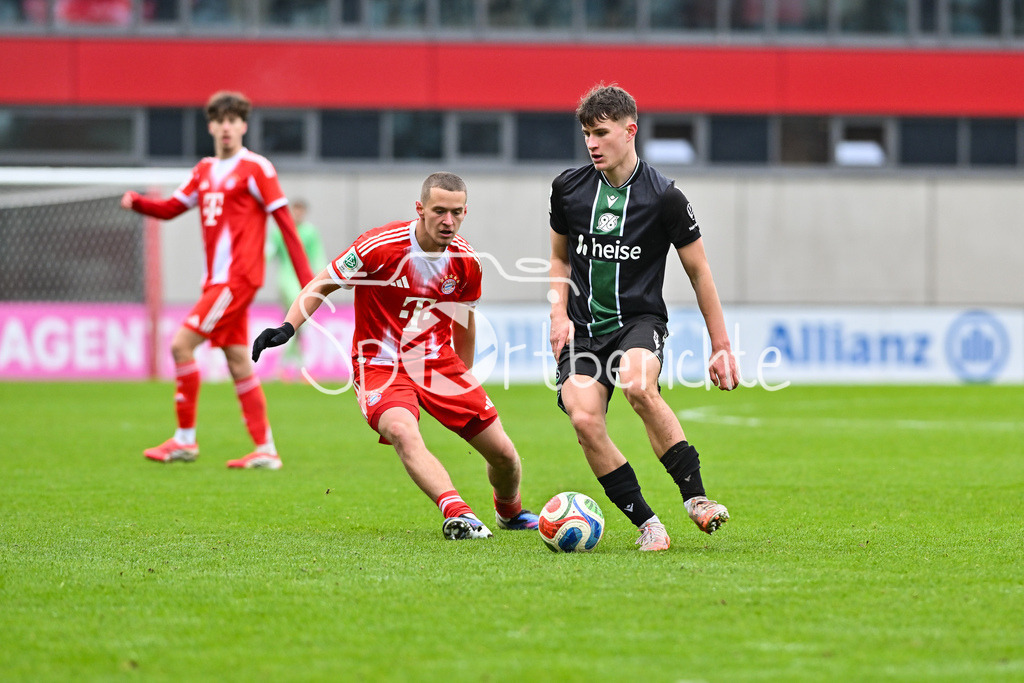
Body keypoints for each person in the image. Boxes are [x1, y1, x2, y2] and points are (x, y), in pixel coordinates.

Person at [252, 172, 539, 540]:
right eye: (439, 211)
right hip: (379, 364)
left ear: (465, 212)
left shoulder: (466, 261)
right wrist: (288, 327)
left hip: (437, 364)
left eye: (456, 212)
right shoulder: (379, 246)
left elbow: (464, 322)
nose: (447, 221)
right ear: (420, 209)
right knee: (402, 430)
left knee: (504, 455)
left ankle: (509, 513)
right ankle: (459, 514)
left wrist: (463, 380)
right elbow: (323, 282)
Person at [547, 84, 740, 551]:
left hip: (639, 321)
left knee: (637, 384)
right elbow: (559, 258)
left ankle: (696, 499)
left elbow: (699, 271)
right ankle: (648, 524)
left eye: (601, 133)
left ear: (630, 131)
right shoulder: (568, 189)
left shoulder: (664, 197)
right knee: (584, 420)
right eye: (586, 134)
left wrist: (721, 346)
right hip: (582, 330)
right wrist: (557, 313)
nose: (592, 143)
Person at [121, 90, 314, 470]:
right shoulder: (204, 170)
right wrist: (138, 202)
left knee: (181, 345)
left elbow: (285, 224)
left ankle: (184, 440)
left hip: (237, 279)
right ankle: (266, 449)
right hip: (216, 282)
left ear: (243, 125)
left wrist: (308, 280)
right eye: (219, 121)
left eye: (233, 120)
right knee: (238, 360)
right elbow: (172, 207)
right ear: (210, 126)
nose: (226, 127)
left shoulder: (256, 168)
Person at [266, 198, 326, 379]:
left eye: (301, 211)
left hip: (304, 281)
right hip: (286, 280)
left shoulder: (310, 232)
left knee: (293, 324)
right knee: (298, 321)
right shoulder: (281, 231)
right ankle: (298, 367)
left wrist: (322, 278)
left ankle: (287, 367)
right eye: (295, 210)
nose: (298, 214)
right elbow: (268, 253)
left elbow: (318, 256)